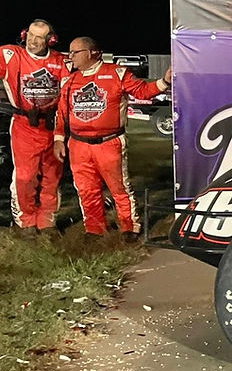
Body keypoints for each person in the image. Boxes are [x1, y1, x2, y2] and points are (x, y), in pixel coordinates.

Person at [53, 37, 173, 241]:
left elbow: (142, 91)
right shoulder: (69, 80)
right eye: (70, 52)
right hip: (78, 144)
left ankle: (129, 227)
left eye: (75, 52)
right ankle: (94, 228)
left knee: (119, 188)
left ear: (91, 53)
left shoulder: (117, 73)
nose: (70, 56)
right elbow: (62, 113)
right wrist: (58, 139)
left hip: (109, 143)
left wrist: (165, 81)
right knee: (86, 189)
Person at [0, 19, 68, 236]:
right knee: (25, 176)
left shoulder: (62, 61)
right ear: (24, 34)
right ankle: (26, 221)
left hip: (52, 125)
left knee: (52, 175)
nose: (33, 41)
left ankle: (47, 221)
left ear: (51, 40)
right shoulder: (10, 55)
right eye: (30, 35)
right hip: (24, 125)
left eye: (39, 37)